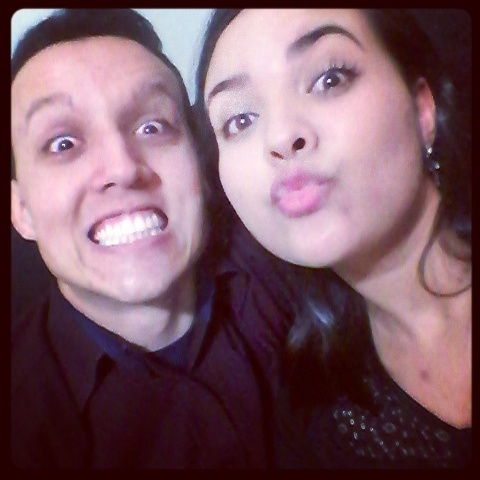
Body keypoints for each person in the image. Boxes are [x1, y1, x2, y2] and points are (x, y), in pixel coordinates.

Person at [11, 8, 297, 468]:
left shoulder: (293, 276)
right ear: (21, 209)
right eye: (63, 143)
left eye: (152, 127)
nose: (123, 168)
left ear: (201, 163)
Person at [195, 9, 471, 468]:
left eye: (328, 79)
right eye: (240, 120)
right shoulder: (310, 412)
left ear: (423, 109)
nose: (280, 136)